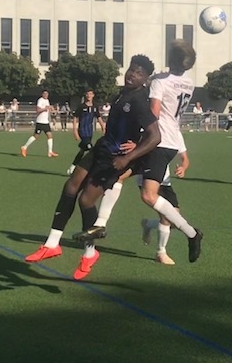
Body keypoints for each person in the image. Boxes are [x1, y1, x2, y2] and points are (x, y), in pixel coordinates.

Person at [24, 55, 160, 280]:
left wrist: (129, 157)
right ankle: (52, 244)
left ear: (145, 79)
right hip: (101, 148)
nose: (132, 75)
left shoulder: (140, 101)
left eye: (139, 73)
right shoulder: (122, 94)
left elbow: (155, 136)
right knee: (70, 186)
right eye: (131, 69)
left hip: (115, 159)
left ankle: (89, 254)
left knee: (86, 201)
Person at [76, 39, 203, 269]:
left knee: (148, 195)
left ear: (171, 59)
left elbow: (153, 114)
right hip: (172, 141)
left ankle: (192, 233)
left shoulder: (159, 82)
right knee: (118, 175)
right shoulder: (189, 83)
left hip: (157, 143)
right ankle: (100, 225)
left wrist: (139, 142)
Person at [67, 89, 106, 175]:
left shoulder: (95, 106)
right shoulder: (81, 106)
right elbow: (75, 118)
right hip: (82, 131)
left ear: (93, 95)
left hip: (90, 132)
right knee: (91, 149)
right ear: (85, 95)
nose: (89, 95)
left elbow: (98, 117)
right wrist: (75, 131)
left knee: (82, 151)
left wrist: (103, 127)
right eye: (87, 94)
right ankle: (90, 170)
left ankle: (72, 167)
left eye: (90, 94)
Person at [20, 90, 58, 158]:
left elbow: (47, 109)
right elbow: (38, 110)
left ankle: (50, 152)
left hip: (45, 121)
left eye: (47, 94)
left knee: (49, 135)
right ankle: (24, 147)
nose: (46, 95)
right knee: (36, 136)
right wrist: (45, 108)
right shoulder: (40, 100)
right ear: (42, 94)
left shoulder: (47, 100)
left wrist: (51, 109)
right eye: (45, 94)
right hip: (40, 121)